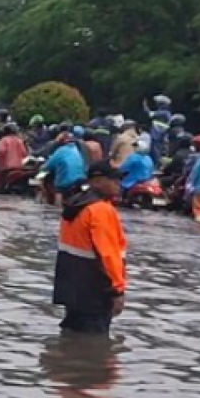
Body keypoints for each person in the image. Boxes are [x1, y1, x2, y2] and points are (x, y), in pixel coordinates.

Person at [53, 161, 127, 334]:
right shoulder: (101, 210)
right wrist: (117, 291)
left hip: (73, 288)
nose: (118, 184)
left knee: (73, 335)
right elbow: (108, 256)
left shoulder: (76, 205)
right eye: (113, 179)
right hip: (95, 289)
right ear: (97, 181)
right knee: (95, 342)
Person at [43, 133, 87, 201]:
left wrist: (41, 168)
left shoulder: (61, 150)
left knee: (58, 189)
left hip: (67, 181)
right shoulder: (76, 149)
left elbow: (49, 165)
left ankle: (58, 206)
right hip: (81, 178)